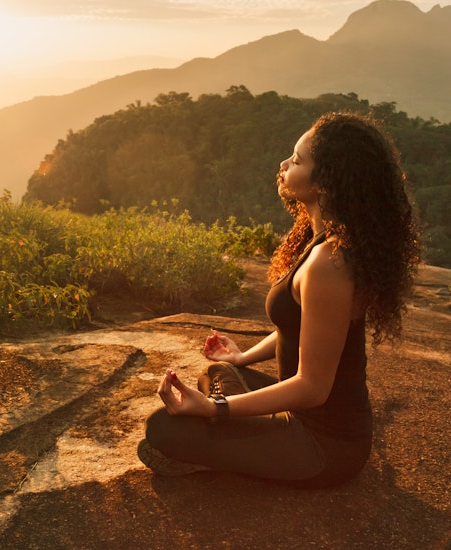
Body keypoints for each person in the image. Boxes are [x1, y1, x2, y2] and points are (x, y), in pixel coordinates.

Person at [137, 111, 420, 488]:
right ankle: (232, 446)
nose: (284, 165)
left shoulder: (330, 264)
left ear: (325, 181)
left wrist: (215, 408)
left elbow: (312, 388)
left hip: (324, 445)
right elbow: (301, 328)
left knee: (162, 430)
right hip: (298, 416)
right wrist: (242, 357)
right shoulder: (319, 241)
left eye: (298, 160)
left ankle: (227, 455)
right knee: (218, 372)